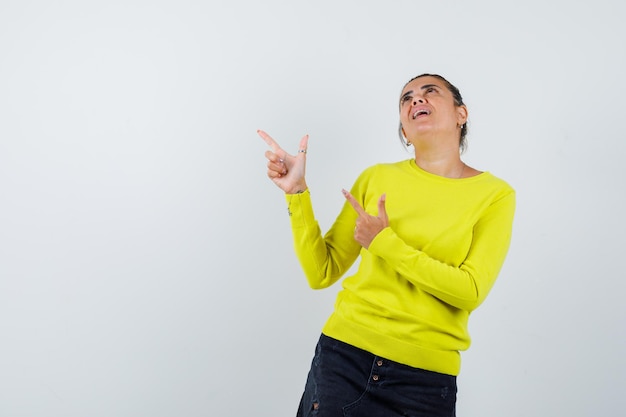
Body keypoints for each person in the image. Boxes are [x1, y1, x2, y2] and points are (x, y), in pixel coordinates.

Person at [258, 73, 515, 417]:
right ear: (404, 131)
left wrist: (384, 243)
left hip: (424, 381)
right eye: (406, 98)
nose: (416, 100)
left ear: (461, 114)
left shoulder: (495, 195)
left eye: (429, 92)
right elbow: (322, 271)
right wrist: (297, 193)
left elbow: (470, 290)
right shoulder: (376, 178)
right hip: (344, 360)